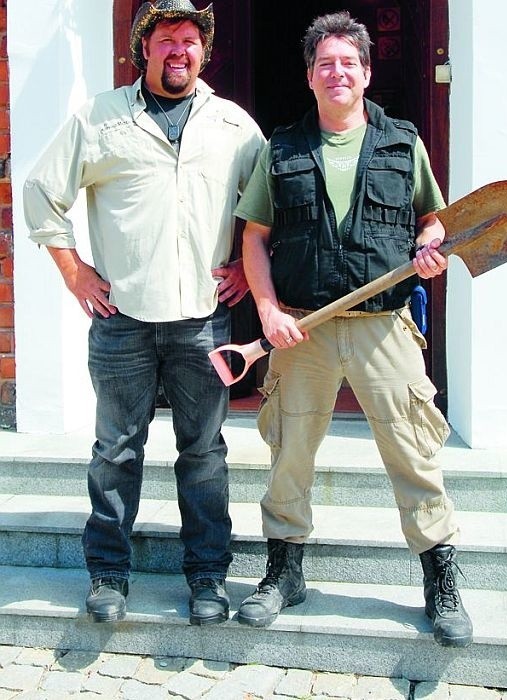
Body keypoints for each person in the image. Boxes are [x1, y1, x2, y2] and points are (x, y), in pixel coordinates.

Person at [234, 11, 473, 648]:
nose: (336, 72)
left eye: (348, 62)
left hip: (384, 326)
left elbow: (434, 219)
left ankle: (440, 581)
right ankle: (283, 574)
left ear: (366, 74)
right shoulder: (280, 150)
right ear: (310, 76)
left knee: (415, 455)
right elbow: (254, 238)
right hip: (301, 331)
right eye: (324, 63)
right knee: (290, 456)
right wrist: (267, 311)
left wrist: (431, 244)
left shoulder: (403, 142)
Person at [23, 0, 265, 626]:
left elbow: (268, 207)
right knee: (115, 452)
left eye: (189, 39)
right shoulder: (100, 119)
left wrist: (245, 265)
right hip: (121, 318)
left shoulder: (235, 127)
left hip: (203, 319)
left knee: (205, 453)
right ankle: (108, 572)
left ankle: (209, 578)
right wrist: (74, 272)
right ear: (144, 47)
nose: (178, 50)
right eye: (165, 40)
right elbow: (41, 192)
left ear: (204, 50)